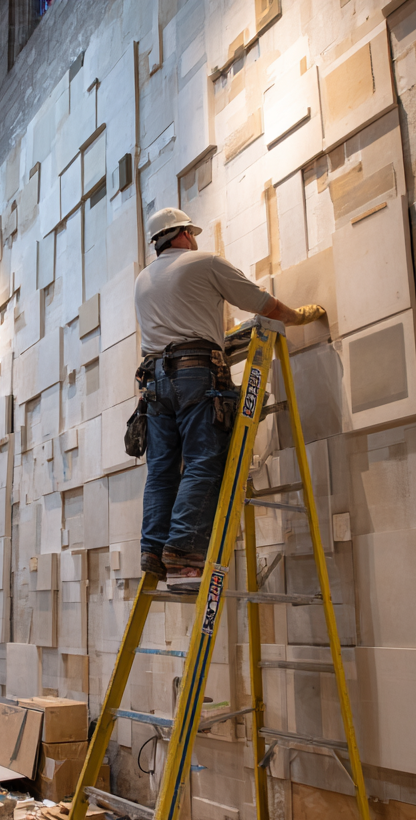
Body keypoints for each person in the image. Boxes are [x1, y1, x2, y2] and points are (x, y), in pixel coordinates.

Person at [134, 208, 325, 591]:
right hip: (194, 373)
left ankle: (154, 552)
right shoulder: (205, 262)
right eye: (192, 232)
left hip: (154, 382)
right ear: (184, 234)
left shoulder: (143, 280)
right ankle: (185, 557)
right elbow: (264, 305)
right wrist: (299, 317)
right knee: (205, 460)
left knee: (161, 470)